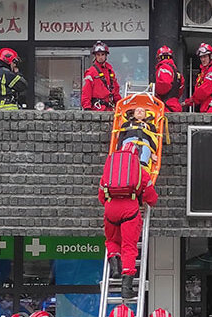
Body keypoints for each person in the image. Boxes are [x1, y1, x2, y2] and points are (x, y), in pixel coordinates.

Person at [99, 144, 159, 295]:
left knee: (112, 240)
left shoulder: (110, 170)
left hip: (110, 209)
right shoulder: (139, 171)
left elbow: (101, 195)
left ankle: (114, 267)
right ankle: (126, 287)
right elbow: (151, 196)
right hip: (130, 210)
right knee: (129, 246)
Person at [183, 43, 212, 113]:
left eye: (205, 56)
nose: (202, 59)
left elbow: (204, 90)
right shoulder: (203, 73)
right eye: (201, 57)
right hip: (206, 107)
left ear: (211, 56)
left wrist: (189, 101)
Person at [81, 41, 120, 111]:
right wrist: (87, 108)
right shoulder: (91, 72)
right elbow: (86, 92)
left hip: (110, 109)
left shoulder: (110, 71)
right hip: (97, 109)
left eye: (102, 54)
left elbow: (115, 91)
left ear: (106, 56)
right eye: (98, 55)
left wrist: (120, 105)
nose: (100, 57)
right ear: (95, 56)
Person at [154, 45, 184, 112]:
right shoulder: (176, 71)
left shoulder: (164, 67)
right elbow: (181, 88)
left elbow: (164, 84)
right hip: (175, 105)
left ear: (159, 58)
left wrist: (155, 90)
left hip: (166, 106)